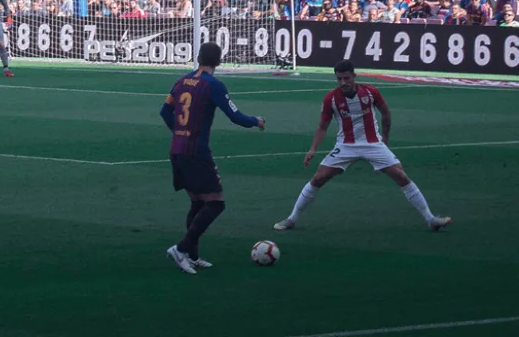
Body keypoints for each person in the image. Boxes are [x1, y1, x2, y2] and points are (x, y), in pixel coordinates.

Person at [273, 60, 451, 232]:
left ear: (354, 76)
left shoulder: (370, 92)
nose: (343, 82)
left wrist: (385, 139)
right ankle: (292, 218)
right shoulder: (331, 99)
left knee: (401, 176)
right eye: (339, 79)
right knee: (318, 178)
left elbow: (386, 113)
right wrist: (312, 149)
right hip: (346, 146)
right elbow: (322, 127)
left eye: (346, 78)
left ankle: (430, 219)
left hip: (373, 143)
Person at [159, 42, 266, 274]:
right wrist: (255, 120)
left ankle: (192, 256)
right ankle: (180, 249)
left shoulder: (181, 81)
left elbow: (165, 111)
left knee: (198, 202)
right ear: (218, 61)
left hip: (177, 149)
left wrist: (179, 132)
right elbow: (235, 115)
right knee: (216, 202)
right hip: (195, 151)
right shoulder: (214, 85)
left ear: (198, 58)